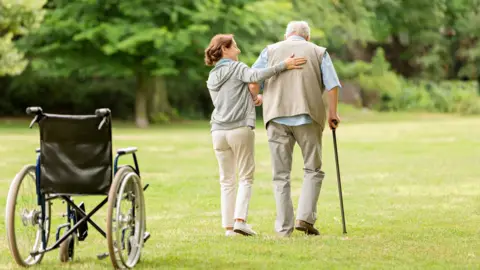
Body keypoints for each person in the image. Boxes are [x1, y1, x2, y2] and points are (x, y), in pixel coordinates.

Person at [204, 34, 307, 236]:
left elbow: (228, 99)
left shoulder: (213, 75)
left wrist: (252, 98)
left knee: (226, 180)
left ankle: (228, 228)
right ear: (224, 49)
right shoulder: (237, 67)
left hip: (217, 131)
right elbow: (256, 76)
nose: (238, 50)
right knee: (245, 177)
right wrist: (283, 65)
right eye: (234, 46)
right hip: (239, 129)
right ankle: (240, 220)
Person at [251, 21, 342, 237]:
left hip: (276, 117)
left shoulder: (270, 50)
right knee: (313, 169)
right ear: (307, 37)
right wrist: (332, 114)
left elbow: (253, 81)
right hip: (308, 117)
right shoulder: (319, 52)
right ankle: (305, 218)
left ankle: (284, 228)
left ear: (286, 36)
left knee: (280, 175)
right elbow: (332, 85)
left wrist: (259, 97)